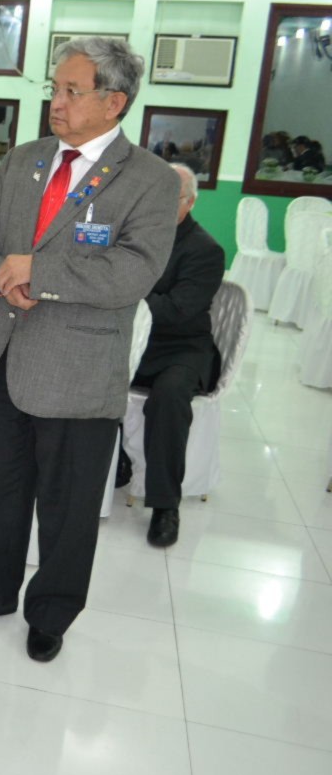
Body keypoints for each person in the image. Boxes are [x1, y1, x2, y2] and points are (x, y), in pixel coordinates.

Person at [0, 36, 178, 662]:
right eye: (55, 88)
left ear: (114, 102)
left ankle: (51, 613)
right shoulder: (25, 159)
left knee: (68, 507)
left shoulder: (149, 181)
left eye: (72, 91)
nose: (57, 102)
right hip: (2, 353)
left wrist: (35, 273)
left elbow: (134, 271)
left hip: (79, 369)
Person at [128, 163, 225, 547]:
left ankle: (166, 505)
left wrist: (127, 295)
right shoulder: (135, 236)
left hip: (180, 347)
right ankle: (115, 461)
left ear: (191, 202)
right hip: (133, 341)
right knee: (86, 370)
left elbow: (177, 309)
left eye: (173, 197)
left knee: (168, 397)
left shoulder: (205, 249)